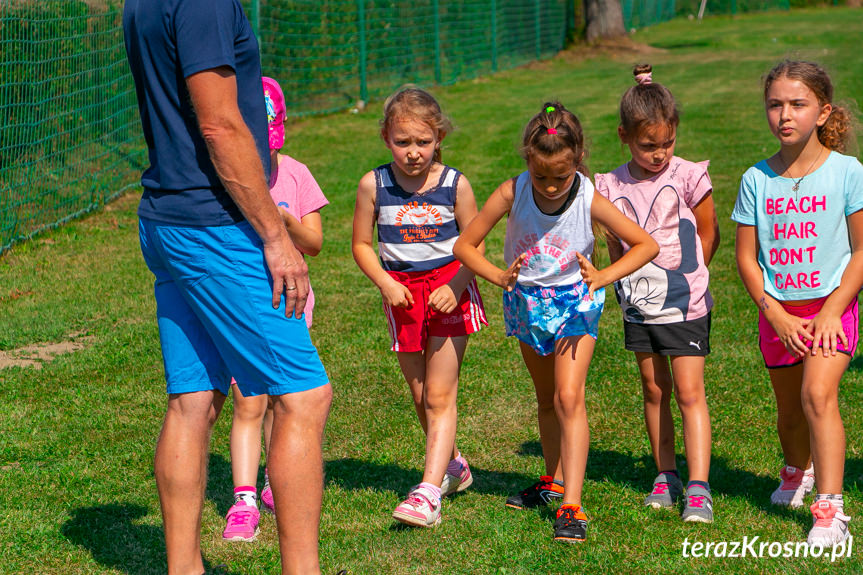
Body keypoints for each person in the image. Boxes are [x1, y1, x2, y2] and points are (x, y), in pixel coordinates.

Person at [123, 2, 332, 574]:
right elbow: (218, 122)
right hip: (216, 226)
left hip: (168, 220)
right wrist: (274, 234)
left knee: (193, 401)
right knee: (302, 395)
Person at [453, 102, 658, 543]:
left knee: (569, 397)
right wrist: (498, 276)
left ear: (577, 160)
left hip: (575, 304)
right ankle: (553, 481)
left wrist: (603, 276)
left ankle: (573, 505)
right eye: (541, 176)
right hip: (526, 303)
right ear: (528, 161)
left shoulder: (588, 195)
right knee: (546, 399)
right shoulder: (512, 191)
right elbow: (466, 245)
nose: (549, 187)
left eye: (559, 177)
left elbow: (645, 245)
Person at [732, 60, 863, 547]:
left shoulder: (849, 173)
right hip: (778, 312)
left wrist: (831, 310)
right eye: (775, 104)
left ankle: (831, 511)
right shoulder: (755, 179)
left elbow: (861, 251)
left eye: (797, 104)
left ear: (823, 112)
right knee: (789, 410)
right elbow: (746, 259)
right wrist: (776, 312)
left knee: (817, 397)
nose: (784, 115)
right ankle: (796, 471)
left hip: (833, 308)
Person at [352, 87, 486, 528]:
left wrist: (458, 282)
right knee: (421, 395)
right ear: (386, 138)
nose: (413, 153)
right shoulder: (373, 184)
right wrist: (385, 282)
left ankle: (428, 494)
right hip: (403, 295)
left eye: (423, 143)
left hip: (449, 290)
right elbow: (361, 245)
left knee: (440, 395)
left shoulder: (455, 184)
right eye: (403, 142)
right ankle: (453, 464)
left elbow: (475, 245)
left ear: (440, 137)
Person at [594, 64, 720, 523]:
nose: (660, 153)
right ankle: (665, 475)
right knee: (654, 388)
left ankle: (700, 486)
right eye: (648, 145)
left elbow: (709, 233)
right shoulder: (608, 185)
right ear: (624, 136)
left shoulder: (687, 175)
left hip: (686, 304)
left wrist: (688, 279)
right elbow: (613, 244)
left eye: (667, 142)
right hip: (638, 309)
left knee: (689, 392)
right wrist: (625, 285)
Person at [223, 76, 330, 542]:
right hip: (242, 307)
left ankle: (275, 481)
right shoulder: (224, 176)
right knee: (249, 402)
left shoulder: (296, 174)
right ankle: (243, 499)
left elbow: (316, 243)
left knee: (286, 402)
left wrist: (285, 222)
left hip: (289, 306)